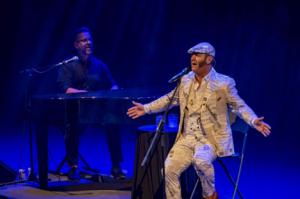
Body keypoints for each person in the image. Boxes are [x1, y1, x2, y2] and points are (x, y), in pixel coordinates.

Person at [127, 42, 271, 199]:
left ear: (209, 59)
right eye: (191, 55)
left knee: (201, 161)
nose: (193, 58)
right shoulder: (185, 80)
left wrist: (254, 120)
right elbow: (170, 99)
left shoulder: (224, 83)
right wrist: (146, 108)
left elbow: (239, 106)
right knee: (168, 169)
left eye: (197, 55)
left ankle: (209, 195)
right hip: (187, 138)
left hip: (210, 140)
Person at [57, 27, 125, 181]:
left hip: (97, 110)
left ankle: (116, 167)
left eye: (89, 39)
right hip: (76, 110)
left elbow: (112, 85)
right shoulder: (68, 65)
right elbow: (65, 89)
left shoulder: (99, 65)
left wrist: (116, 90)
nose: (88, 42)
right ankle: (73, 166)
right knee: (72, 127)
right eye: (83, 40)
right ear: (76, 45)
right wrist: (85, 94)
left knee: (113, 121)